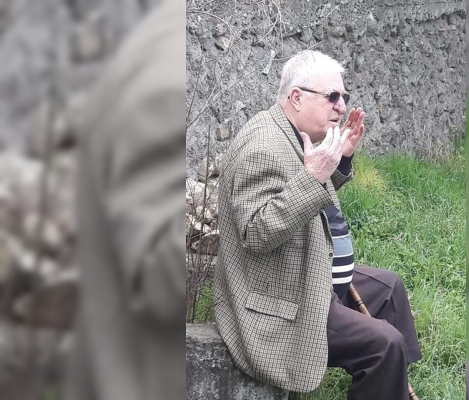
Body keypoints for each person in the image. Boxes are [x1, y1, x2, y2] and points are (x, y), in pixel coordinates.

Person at [214, 50, 422, 400]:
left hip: (310, 274)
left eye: (344, 97)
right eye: (332, 96)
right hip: (281, 299)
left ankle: (393, 383)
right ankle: (388, 364)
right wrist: (313, 176)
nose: (341, 106)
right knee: (385, 343)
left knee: (389, 289)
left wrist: (339, 162)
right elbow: (257, 232)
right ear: (297, 97)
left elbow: (300, 198)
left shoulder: (290, 132)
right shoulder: (262, 147)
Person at [67, 1, 186, 399]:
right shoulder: (165, 81)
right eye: (331, 96)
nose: (339, 106)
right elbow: (158, 282)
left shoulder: (153, 49)